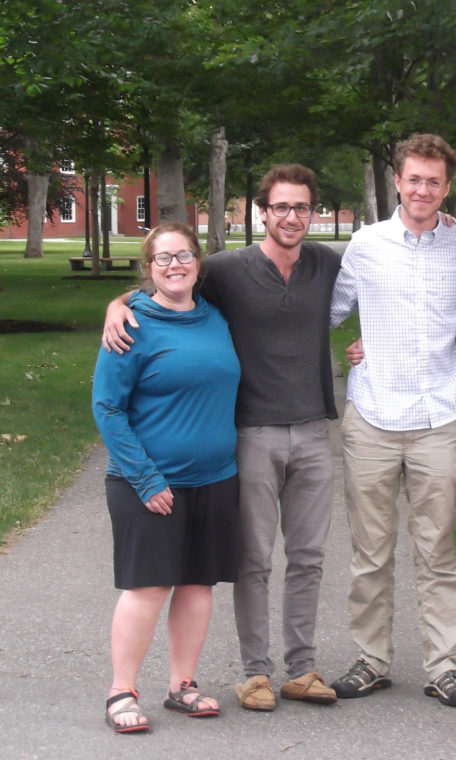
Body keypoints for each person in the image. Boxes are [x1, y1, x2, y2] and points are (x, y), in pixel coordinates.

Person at [102, 164, 341, 711]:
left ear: (312, 212)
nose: (291, 216)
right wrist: (115, 307)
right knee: (250, 560)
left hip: (304, 433)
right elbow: (161, 284)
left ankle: (300, 668)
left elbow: (390, 271)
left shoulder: (327, 261)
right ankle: (252, 673)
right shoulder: (228, 271)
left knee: (305, 557)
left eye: (301, 207)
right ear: (263, 212)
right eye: (280, 206)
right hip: (251, 435)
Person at [329, 134, 456, 707]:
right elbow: (327, 309)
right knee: (370, 551)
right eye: (414, 178)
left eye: (434, 181)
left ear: (448, 187)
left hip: (437, 417)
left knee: (437, 548)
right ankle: (371, 659)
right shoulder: (367, 244)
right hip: (372, 415)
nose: (423, 189)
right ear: (397, 181)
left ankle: (442, 665)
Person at [93, 223, 241, 732]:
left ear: (198, 262)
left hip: (217, 478)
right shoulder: (131, 323)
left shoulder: (216, 316)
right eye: (163, 259)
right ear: (148, 267)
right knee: (149, 585)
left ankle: (182, 684)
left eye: (183, 256)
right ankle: (121, 691)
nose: (175, 266)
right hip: (149, 481)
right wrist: (147, 479)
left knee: (198, 584)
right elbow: (107, 408)